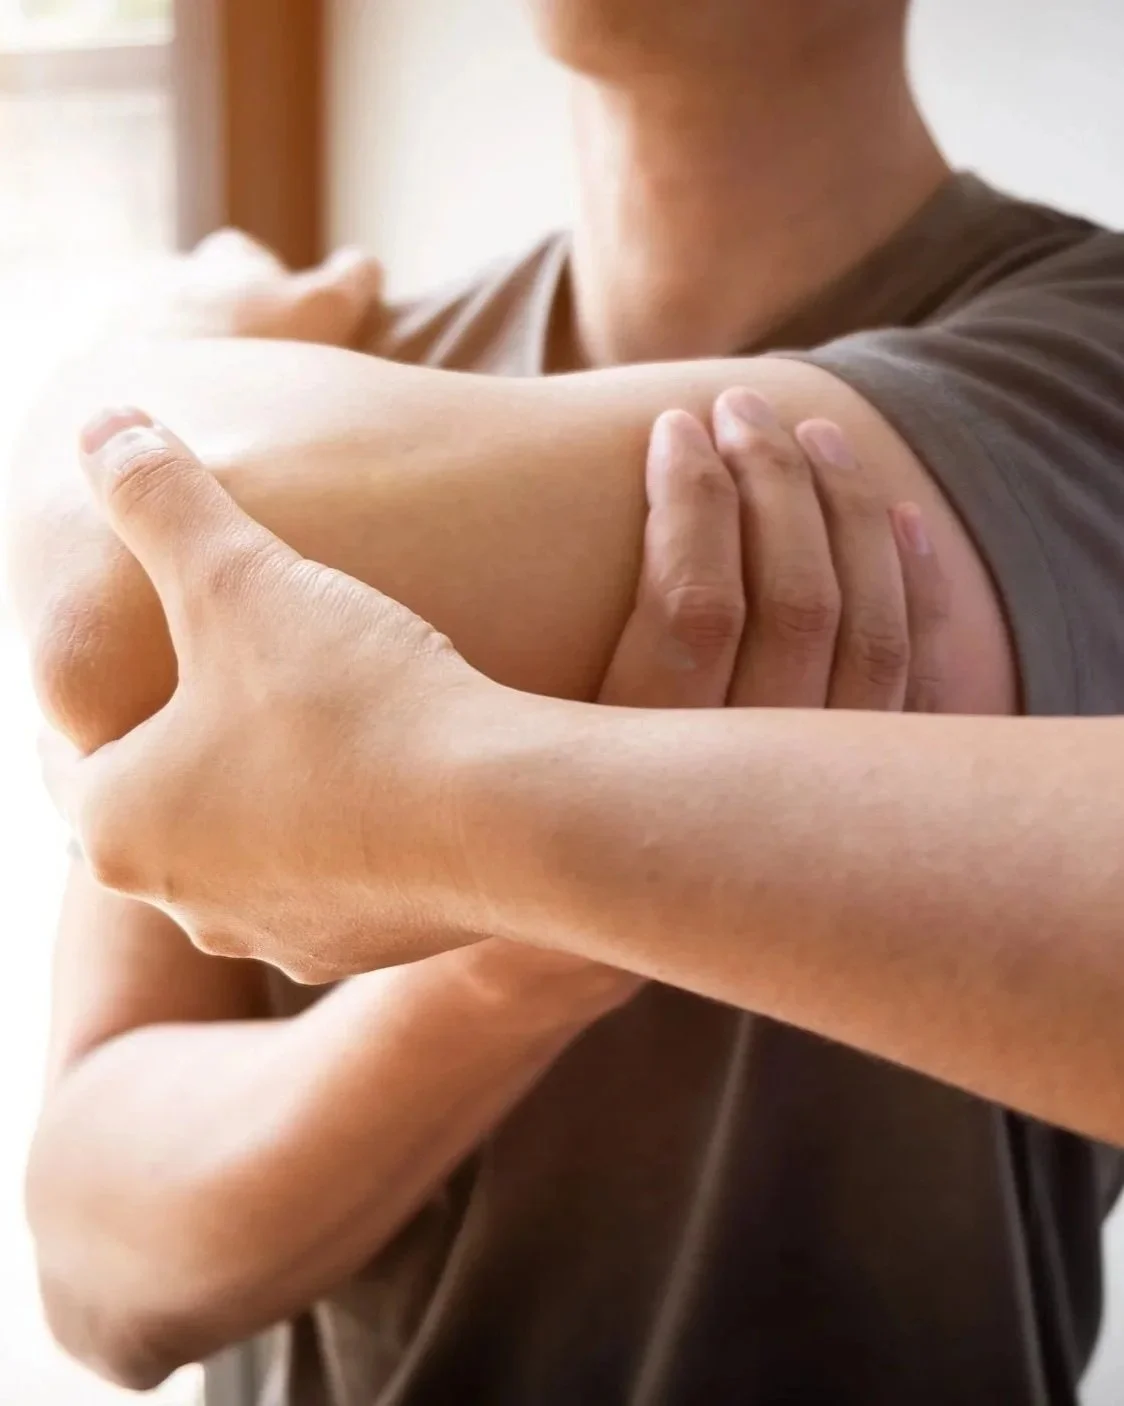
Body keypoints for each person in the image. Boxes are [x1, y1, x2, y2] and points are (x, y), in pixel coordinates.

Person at [9, 3, 1124, 1404]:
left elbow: (102, 578)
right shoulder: (349, 369)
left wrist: (113, 378)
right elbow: (100, 1266)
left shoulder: (1095, 369)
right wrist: (507, 967)